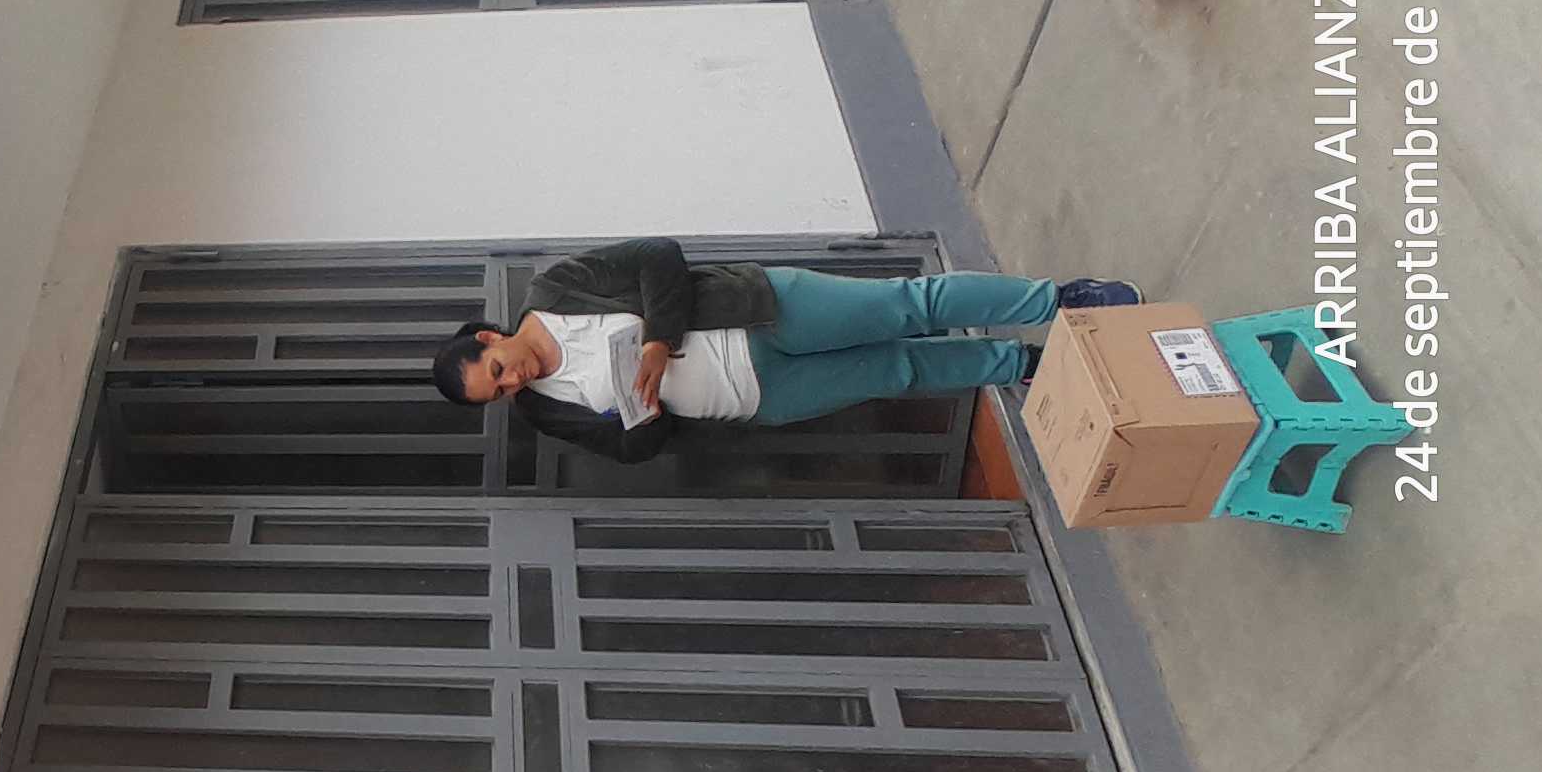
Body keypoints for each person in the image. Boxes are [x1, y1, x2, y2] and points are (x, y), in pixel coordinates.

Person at [427, 238, 1139, 463]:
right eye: (501, 393)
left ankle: (1058, 302)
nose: (514, 383)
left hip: (762, 314)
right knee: (900, 368)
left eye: (499, 370)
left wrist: (657, 343)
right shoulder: (545, 410)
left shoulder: (557, 288)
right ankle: (1020, 365)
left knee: (906, 306)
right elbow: (631, 450)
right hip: (758, 398)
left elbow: (658, 257)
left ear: (490, 337)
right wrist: (641, 417)